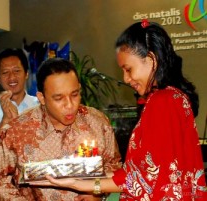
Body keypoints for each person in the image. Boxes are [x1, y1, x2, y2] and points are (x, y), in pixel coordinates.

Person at [31, 21, 207, 200]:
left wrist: (81, 184)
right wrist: (82, 177)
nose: (126, 78)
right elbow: (143, 170)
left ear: (152, 59)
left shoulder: (161, 101)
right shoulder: (175, 97)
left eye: (128, 69)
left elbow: (143, 178)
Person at [0, 58, 122, 201]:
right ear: (41, 98)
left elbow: (113, 166)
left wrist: (97, 192)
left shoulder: (97, 123)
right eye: (58, 98)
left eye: (74, 94)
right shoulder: (17, 131)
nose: (69, 105)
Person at [0, 48, 38, 156]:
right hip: (5, 172)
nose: (12, 77)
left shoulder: (40, 105)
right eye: (5, 72)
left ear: (26, 73)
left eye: (17, 71)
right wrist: (5, 120)